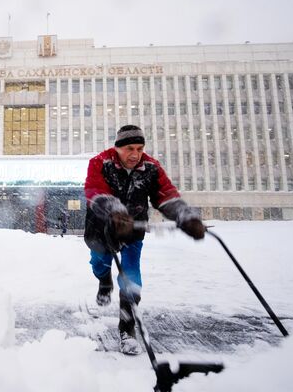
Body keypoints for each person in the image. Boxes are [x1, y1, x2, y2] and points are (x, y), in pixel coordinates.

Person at [84, 124, 205, 355]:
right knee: (99, 263)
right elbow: (94, 190)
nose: (135, 154)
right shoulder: (100, 163)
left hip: (132, 231)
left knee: (132, 281)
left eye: (139, 148)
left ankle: (127, 330)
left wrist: (185, 216)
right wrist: (115, 211)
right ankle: (104, 282)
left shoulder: (150, 167)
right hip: (101, 229)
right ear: (117, 148)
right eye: (129, 148)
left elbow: (166, 194)